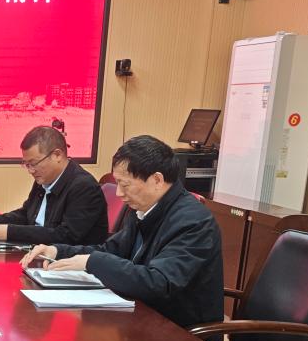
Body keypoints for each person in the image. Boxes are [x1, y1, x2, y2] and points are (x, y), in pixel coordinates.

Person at [21, 135, 224, 330]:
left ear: (157, 180)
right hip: (141, 319)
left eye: (125, 185)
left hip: (179, 333)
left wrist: (92, 262)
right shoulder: (144, 208)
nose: (118, 193)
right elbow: (111, 249)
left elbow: (159, 283)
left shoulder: (194, 222)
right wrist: (58, 251)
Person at [0, 126, 108, 245]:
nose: (30, 171)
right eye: (26, 165)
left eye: (34, 163)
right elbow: (26, 215)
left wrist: (11, 232)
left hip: (69, 263)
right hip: (38, 252)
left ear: (57, 155)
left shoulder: (84, 187)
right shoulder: (44, 179)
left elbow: (65, 236)